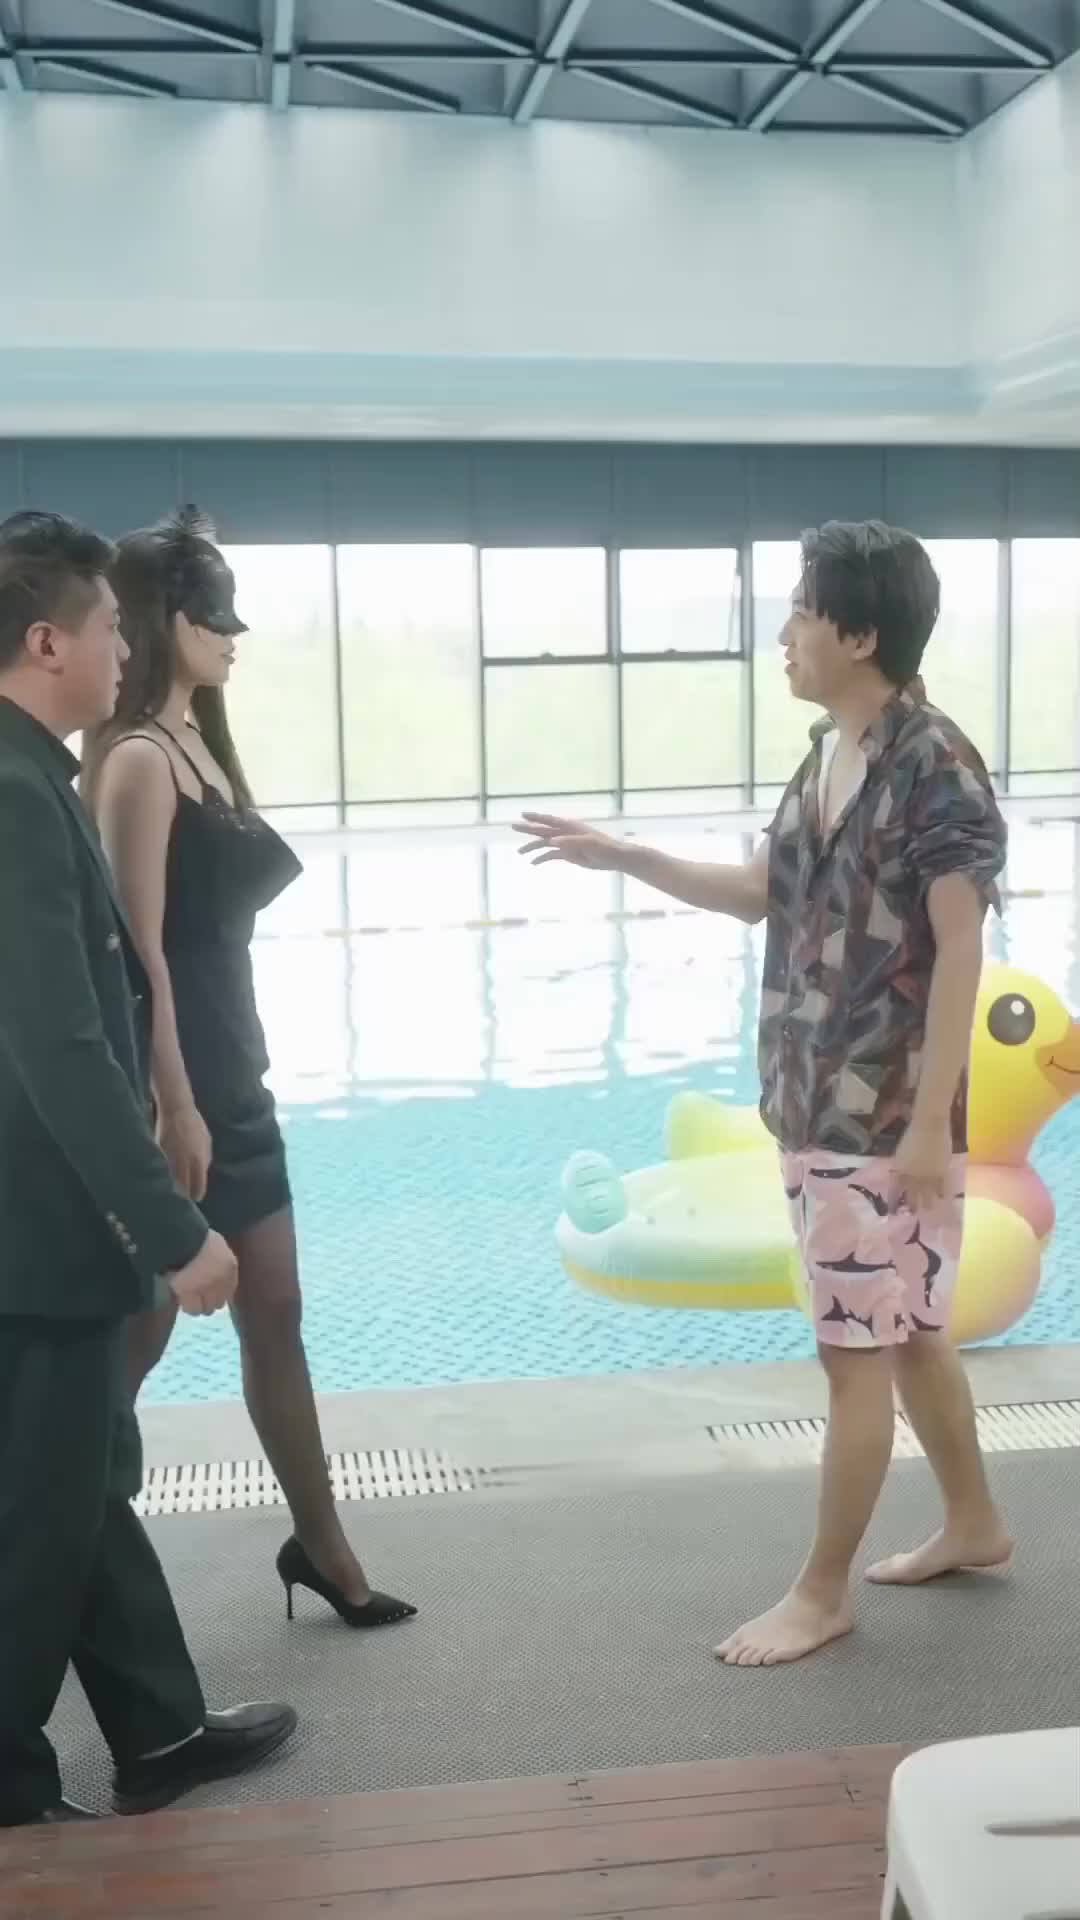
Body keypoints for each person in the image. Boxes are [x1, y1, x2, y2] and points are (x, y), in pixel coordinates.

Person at [516, 520, 1011, 1668]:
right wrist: (624, 855)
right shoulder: (831, 755)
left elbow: (961, 948)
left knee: (853, 1357)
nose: (783, 631)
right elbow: (763, 894)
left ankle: (821, 1594)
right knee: (912, 1334)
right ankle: (975, 1523)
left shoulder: (934, 763)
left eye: (800, 609)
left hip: (876, 1119)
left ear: (859, 633)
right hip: (817, 1100)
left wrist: (928, 1123)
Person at [0, 511, 297, 1828]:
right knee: (41, 1515)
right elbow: (60, 1049)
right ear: (48, 641)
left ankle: (160, 1729)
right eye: (110, 626)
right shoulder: (17, 795)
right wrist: (174, 1231)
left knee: (79, 1479)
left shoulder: (30, 771)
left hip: (42, 1221)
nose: (125, 649)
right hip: (38, 1232)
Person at [81, 506, 413, 1632]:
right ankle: (56, 1535)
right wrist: (172, 1102)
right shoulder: (137, 762)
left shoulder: (200, 752)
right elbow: (138, 959)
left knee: (277, 1309)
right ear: (162, 620)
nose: (234, 632)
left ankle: (324, 1548)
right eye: (212, 612)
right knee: (137, 1338)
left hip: (238, 1082)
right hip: (181, 1094)